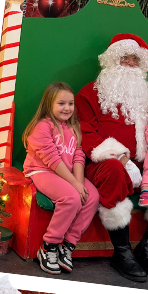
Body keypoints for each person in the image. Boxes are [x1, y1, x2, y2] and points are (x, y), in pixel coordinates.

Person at [75, 33, 148, 283]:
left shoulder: (145, 98)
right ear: (112, 61)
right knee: (114, 171)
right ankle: (122, 253)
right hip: (105, 164)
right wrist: (121, 158)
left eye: (134, 59)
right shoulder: (88, 94)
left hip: (143, 163)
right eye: (124, 58)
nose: (129, 63)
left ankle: (147, 249)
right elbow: (85, 133)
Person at [21, 80, 100, 275]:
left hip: (68, 174)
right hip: (43, 171)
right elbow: (52, 160)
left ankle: (68, 245)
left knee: (92, 197)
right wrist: (74, 185)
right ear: (49, 104)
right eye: (61, 103)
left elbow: (79, 155)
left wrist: (80, 183)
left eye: (70, 103)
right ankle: (48, 246)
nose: (67, 108)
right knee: (71, 197)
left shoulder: (74, 128)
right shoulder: (43, 126)